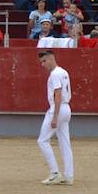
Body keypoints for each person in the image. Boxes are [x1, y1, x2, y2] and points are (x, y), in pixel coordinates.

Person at [36, 50, 74, 186]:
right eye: (41, 62)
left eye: (44, 61)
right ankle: (69, 175)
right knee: (64, 142)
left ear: (52, 59)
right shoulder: (63, 72)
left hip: (57, 109)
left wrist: (55, 116)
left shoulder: (55, 74)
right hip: (66, 108)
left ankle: (55, 173)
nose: (42, 64)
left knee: (42, 140)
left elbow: (57, 95)